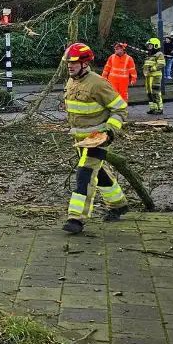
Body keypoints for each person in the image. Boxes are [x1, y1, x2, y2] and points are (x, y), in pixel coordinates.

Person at [62, 43, 130, 235]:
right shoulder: (72, 81)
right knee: (98, 174)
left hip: (98, 139)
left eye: (74, 62)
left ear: (84, 63)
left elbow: (120, 109)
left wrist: (109, 132)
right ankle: (118, 205)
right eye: (68, 62)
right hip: (80, 139)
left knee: (84, 174)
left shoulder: (98, 83)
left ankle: (76, 218)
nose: (70, 66)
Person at [143, 38, 167, 115]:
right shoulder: (150, 54)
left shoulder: (159, 54)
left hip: (155, 77)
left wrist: (152, 68)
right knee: (149, 93)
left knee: (155, 92)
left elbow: (161, 64)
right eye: (148, 45)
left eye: (150, 45)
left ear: (155, 46)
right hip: (148, 76)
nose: (149, 47)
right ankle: (153, 108)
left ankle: (159, 109)